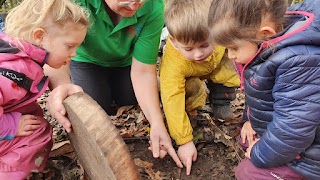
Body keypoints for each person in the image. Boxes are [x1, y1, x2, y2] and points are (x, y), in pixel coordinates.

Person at [44, 0, 183, 168]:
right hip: (86, 59)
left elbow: (144, 71)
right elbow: (55, 47)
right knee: (95, 108)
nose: (133, 7)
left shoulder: (154, 6)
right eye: (126, 1)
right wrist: (61, 85)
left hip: (126, 62)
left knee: (129, 99)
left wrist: (156, 122)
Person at [208, 0, 320, 179]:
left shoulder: (299, 63)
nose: (230, 55)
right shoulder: (264, 44)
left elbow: (293, 132)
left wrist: (258, 154)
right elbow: (259, 91)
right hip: (291, 134)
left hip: (308, 151)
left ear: (265, 33)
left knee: (247, 174)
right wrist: (250, 120)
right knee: (246, 140)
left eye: (234, 48)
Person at [0, 0, 89, 178]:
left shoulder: (21, 57)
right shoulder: (14, 70)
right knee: (38, 131)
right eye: (70, 46)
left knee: (32, 115)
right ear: (40, 36)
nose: (74, 54)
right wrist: (10, 125)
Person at [160, 0, 240, 175]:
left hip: (217, 62)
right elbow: (171, 97)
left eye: (204, 45)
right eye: (189, 48)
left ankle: (221, 98)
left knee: (229, 69)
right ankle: (194, 108)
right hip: (191, 74)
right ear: (173, 41)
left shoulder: (221, 33)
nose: (198, 54)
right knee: (191, 88)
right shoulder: (173, 63)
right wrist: (184, 140)